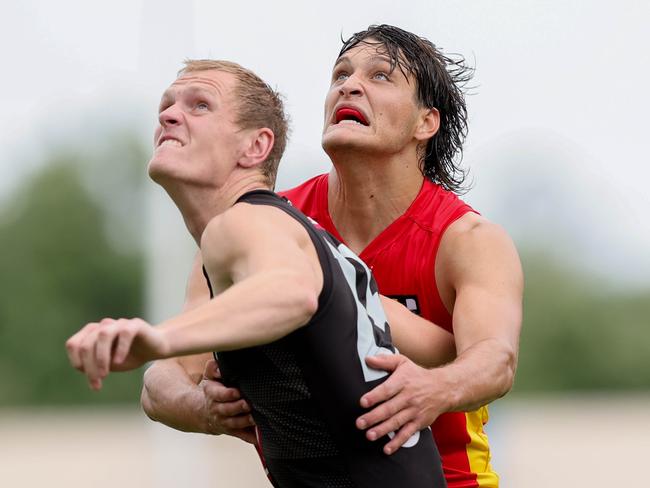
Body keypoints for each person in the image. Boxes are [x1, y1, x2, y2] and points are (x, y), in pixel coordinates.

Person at [142, 25, 523, 488]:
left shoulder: (467, 238)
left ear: (426, 122)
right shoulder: (264, 225)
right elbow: (162, 379)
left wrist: (434, 388)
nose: (350, 84)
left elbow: (495, 360)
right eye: (340, 74)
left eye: (381, 76)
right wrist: (201, 407)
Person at [66, 59, 452, 487]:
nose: (168, 115)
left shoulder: (245, 224)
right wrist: (202, 406)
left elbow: (290, 295)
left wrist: (160, 336)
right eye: (167, 105)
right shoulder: (285, 237)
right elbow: (162, 381)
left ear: (256, 147)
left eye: (199, 106)